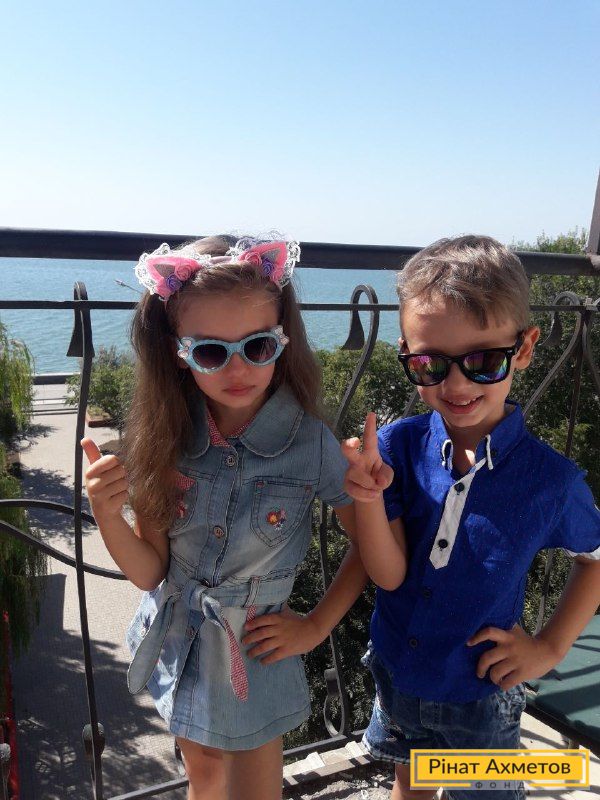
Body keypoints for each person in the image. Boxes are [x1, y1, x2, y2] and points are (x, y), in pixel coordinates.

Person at [81, 234, 367, 800]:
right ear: (178, 353)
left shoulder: (310, 444)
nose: (238, 369)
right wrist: (108, 514)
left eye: (257, 346)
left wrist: (316, 626)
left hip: (255, 654)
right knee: (205, 781)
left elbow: (369, 545)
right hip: (184, 643)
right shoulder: (165, 436)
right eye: (211, 352)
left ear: (283, 339)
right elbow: (150, 571)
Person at [343, 235, 600, 800]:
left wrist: (550, 647)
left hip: (481, 693)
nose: (456, 385)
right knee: (411, 779)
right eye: (430, 364)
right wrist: (366, 497)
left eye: (483, 361)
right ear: (408, 355)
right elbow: (388, 574)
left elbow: (595, 557)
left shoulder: (550, 481)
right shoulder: (397, 447)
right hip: (399, 672)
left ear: (524, 348)